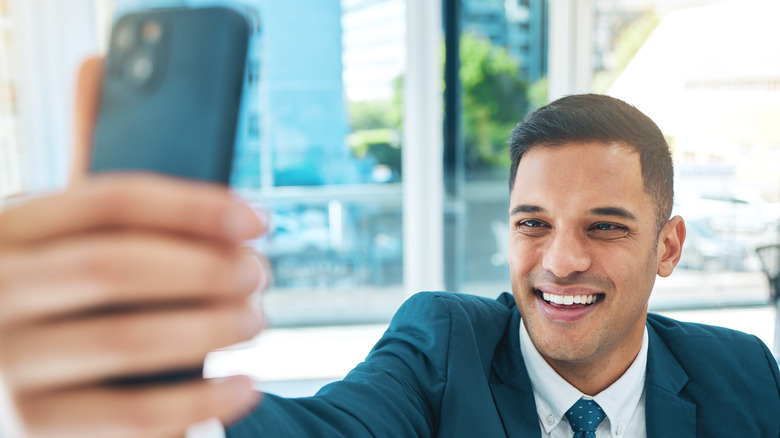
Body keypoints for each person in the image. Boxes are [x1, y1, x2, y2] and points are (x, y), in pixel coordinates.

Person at [0, 59, 778, 438]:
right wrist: (150, 406)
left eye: (604, 227)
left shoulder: (741, 370)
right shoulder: (443, 345)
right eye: (532, 222)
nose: (560, 260)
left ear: (669, 246)